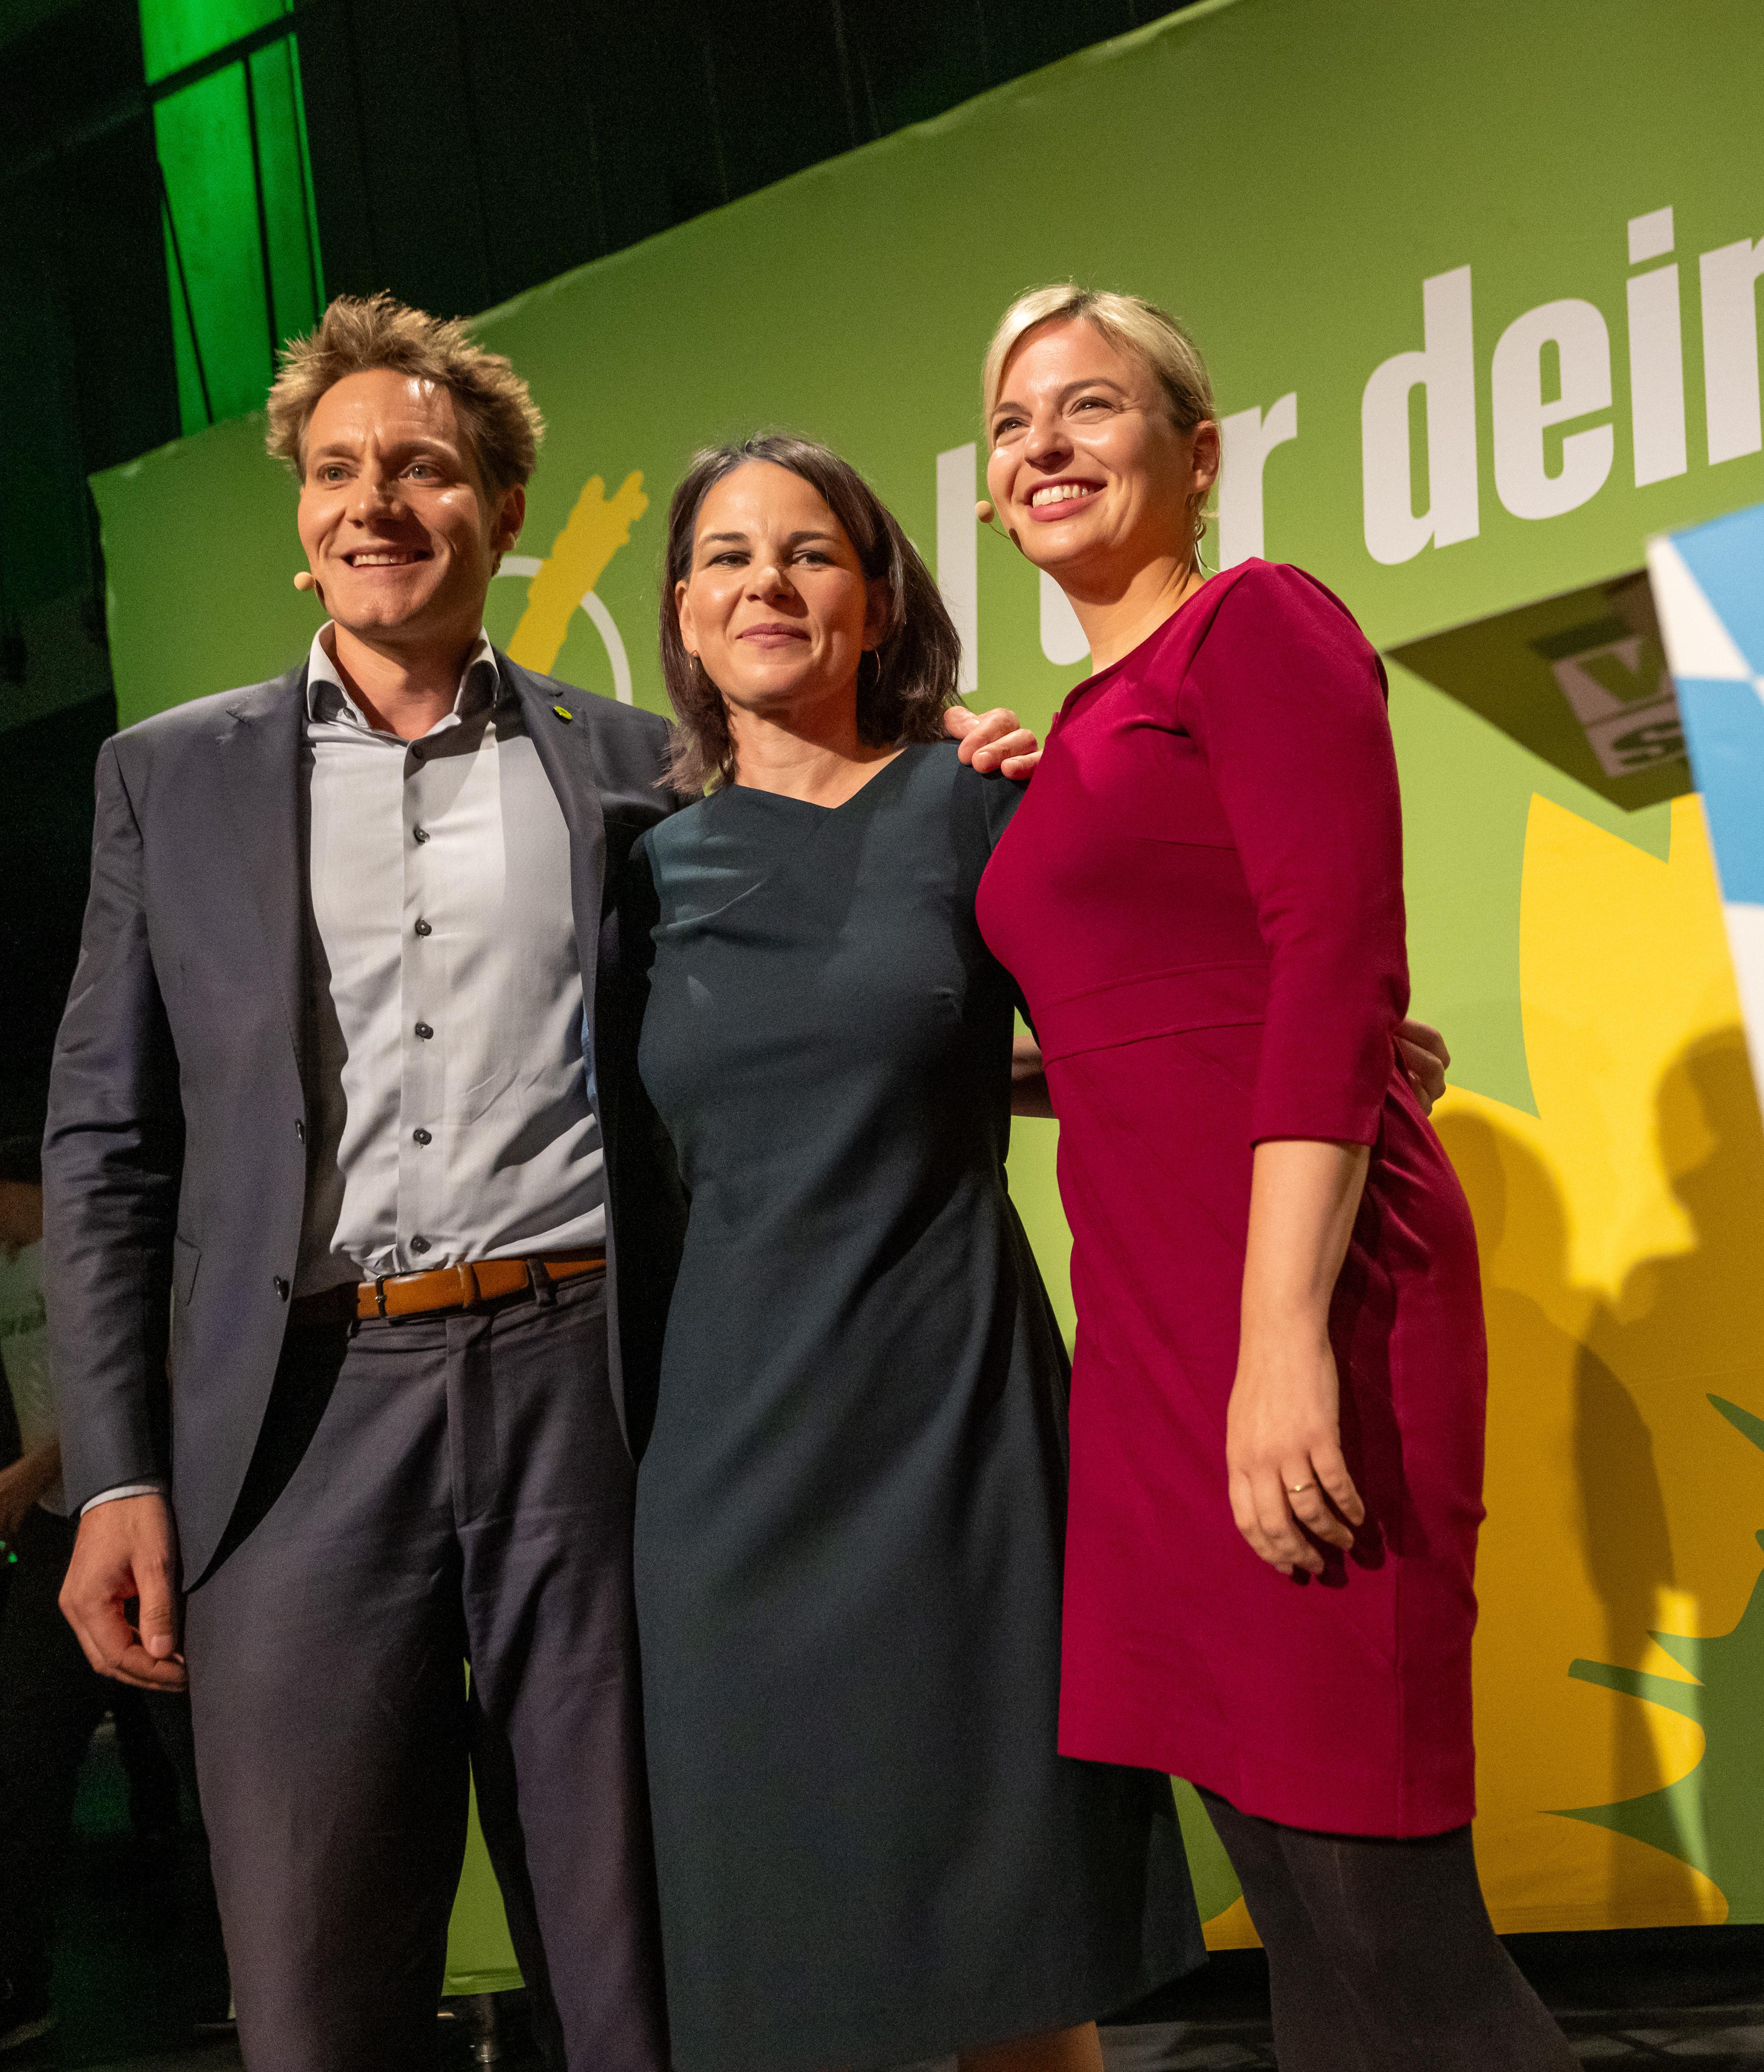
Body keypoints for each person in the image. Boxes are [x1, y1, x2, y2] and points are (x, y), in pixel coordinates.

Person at [41, 293, 1041, 2072]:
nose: (377, 503)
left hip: (590, 1398)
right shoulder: (164, 779)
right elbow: (108, 1146)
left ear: (500, 513)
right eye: (338, 470)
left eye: (425, 467)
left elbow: (822, 996)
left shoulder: (636, 769)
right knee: (314, 1976)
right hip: (297, 1424)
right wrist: (115, 1471)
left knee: (632, 1961)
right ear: (299, 519)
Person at [971, 287, 1577, 2070]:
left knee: (1393, 1935)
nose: (1046, 447)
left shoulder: (1255, 624)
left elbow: (1332, 960)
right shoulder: (1066, 737)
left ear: (1199, 454)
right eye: (1014, 427)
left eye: (1090, 408)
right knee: (1296, 1925)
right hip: (1158, 1346)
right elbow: (1124, 1021)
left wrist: (1279, 1338)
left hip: (1301, 1310)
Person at [629, 432, 1201, 2072]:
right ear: (682, 612)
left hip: (954, 1436)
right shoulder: (635, 873)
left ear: (875, 600)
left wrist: (1329, 1043)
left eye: (809, 552)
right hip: (728, 1467)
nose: (767, 584)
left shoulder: (975, 801)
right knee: (781, 1972)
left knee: (1008, 1954)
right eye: (729, 556)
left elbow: (1123, 1027)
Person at [0, 1090, 204, 2070]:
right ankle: (8, 1988)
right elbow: (39, 1396)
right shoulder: (3, 1271)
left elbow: (160, 1372)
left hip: (147, 1530)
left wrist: (34, 1471)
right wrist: (20, 1489)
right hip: (55, 1544)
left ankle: (249, 1969)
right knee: (25, 1767)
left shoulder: (102, 1235)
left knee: (204, 1765)